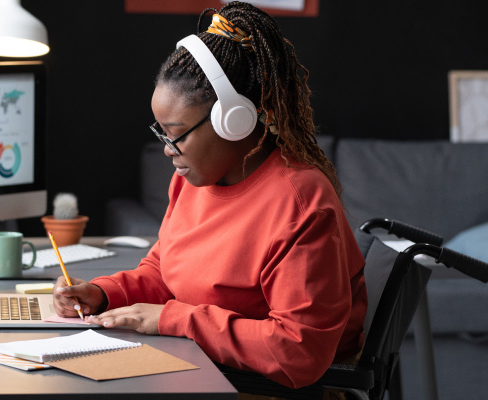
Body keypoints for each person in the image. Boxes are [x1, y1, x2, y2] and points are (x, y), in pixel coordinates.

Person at [53, 1, 366, 390]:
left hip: (265, 387)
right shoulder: (191, 179)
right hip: (203, 367)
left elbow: (298, 352)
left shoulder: (299, 202)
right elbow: (164, 271)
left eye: (177, 134)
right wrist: (103, 293)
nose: (168, 148)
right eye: (161, 133)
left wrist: (173, 319)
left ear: (235, 120)